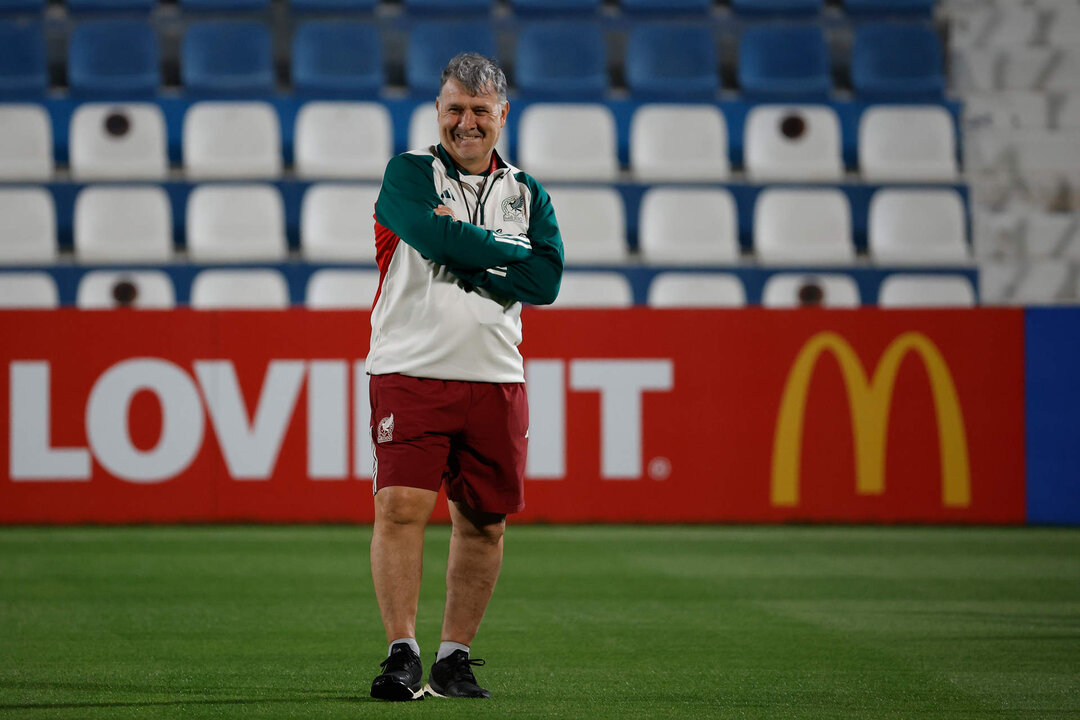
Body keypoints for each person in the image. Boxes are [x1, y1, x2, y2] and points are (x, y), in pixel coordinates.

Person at [365, 52, 563, 701]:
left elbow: (548, 281)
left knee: (485, 522)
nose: (467, 122)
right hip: (410, 368)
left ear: (502, 116)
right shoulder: (409, 174)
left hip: (495, 376)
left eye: (481, 111)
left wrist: (469, 244)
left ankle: (454, 658)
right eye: (456, 108)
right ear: (439, 112)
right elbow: (435, 237)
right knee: (400, 508)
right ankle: (402, 653)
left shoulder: (528, 192)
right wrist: (508, 253)